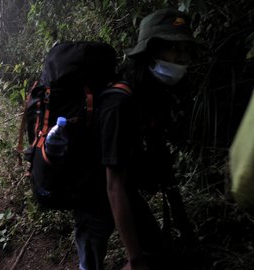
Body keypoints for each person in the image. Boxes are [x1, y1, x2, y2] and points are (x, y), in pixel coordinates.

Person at [99, 8, 201, 270]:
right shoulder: (119, 103)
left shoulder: (153, 93)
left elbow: (162, 163)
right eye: (173, 49)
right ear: (150, 51)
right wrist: (135, 259)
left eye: (186, 50)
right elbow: (113, 186)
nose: (182, 58)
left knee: (157, 251)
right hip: (92, 187)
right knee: (98, 253)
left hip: (122, 184)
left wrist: (187, 234)